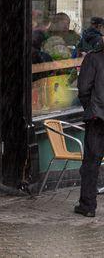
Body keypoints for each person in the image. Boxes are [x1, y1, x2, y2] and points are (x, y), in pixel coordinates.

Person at [75, 27, 104, 217]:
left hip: (97, 117)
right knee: (91, 163)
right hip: (97, 114)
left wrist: (91, 108)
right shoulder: (94, 58)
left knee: (91, 162)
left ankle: (88, 206)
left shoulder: (93, 58)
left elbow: (83, 88)